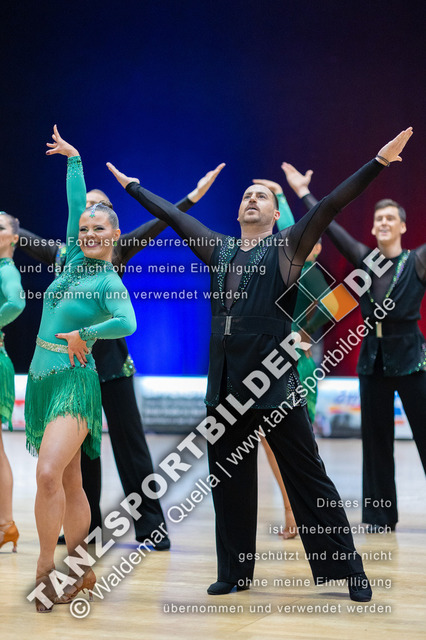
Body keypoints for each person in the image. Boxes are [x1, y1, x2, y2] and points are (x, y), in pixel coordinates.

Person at [107, 127, 412, 603]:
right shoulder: (219, 247)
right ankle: (234, 571)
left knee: (308, 477)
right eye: (247, 196)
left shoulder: (287, 246)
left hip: (272, 382)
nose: (252, 199)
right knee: (228, 481)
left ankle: (349, 569)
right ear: (238, 212)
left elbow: (331, 204)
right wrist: (133, 188)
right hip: (225, 385)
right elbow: (171, 216)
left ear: (274, 214)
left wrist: (378, 162)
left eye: (261, 196)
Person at [18, 165, 224, 549]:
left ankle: (151, 525)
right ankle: (86, 528)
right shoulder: (67, 254)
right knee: (81, 455)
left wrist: (192, 198)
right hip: (71, 370)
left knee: (131, 448)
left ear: (111, 224)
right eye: (87, 211)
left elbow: (158, 223)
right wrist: (10, 229)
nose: (92, 217)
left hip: (111, 366)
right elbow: (25, 238)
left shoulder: (118, 249)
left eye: (100, 209)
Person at [282, 152, 426, 532]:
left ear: (402, 226)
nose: (383, 223)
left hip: (412, 359)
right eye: (379, 219)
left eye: (390, 218)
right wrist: (304, 193)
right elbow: (329, 226)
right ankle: (380, 516)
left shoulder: (417, 261)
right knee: (375, 442)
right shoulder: (365, 259)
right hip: (372, 361)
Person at [25, 126, 137, 612]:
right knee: (70, 480)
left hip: (74, 383)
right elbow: (75, 206)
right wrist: (74, 160)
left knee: (48, 473)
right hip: (41, 380)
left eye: (99, 229)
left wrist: (86, 333)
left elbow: (127, 322)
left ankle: (44, 569)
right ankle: (82, 566)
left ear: (114, 236)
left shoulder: (109, 279)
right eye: (85, 229)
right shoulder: (71, 259)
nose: (89, 234)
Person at [251, 179, 338, 539]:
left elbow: (334, 305)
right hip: (275, 362)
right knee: (270, 439)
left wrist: (302, 335)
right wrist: (280, 196)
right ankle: (294, 510)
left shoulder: (309, 271)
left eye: (309, 241)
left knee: (297, 444)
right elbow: (288, 231)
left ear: (316, 248)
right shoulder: (288, 267)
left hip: (296, 366)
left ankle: (305, 513)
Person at [0, 212, 25, 552]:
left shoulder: (6, 269)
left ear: (14, 238)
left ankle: (6, 524)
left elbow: (17, 302)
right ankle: (5, 524)